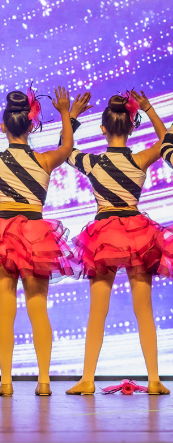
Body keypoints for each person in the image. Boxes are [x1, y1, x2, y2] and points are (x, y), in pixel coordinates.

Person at [0, 87, 81, 396]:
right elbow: (68, 145)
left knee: (5, 312)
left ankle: (6, 383)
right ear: (31, 126)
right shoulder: (44, 160)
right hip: (35, 236)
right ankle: (43, 382)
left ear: (3, 127)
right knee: (38, 310)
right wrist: (66, 113)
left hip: (3, 236)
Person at [66, 90, 170, 396]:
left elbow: (66, 148)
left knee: (97, 311)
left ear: (103, 128)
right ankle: (154, 379)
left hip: (104, 237)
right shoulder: (140, 159)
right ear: (131, 126)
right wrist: (150, 109)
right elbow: (167, 142)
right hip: (138, 234)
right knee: (145, 311)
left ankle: (87, 379)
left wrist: (72, 115)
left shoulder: (93, 163)